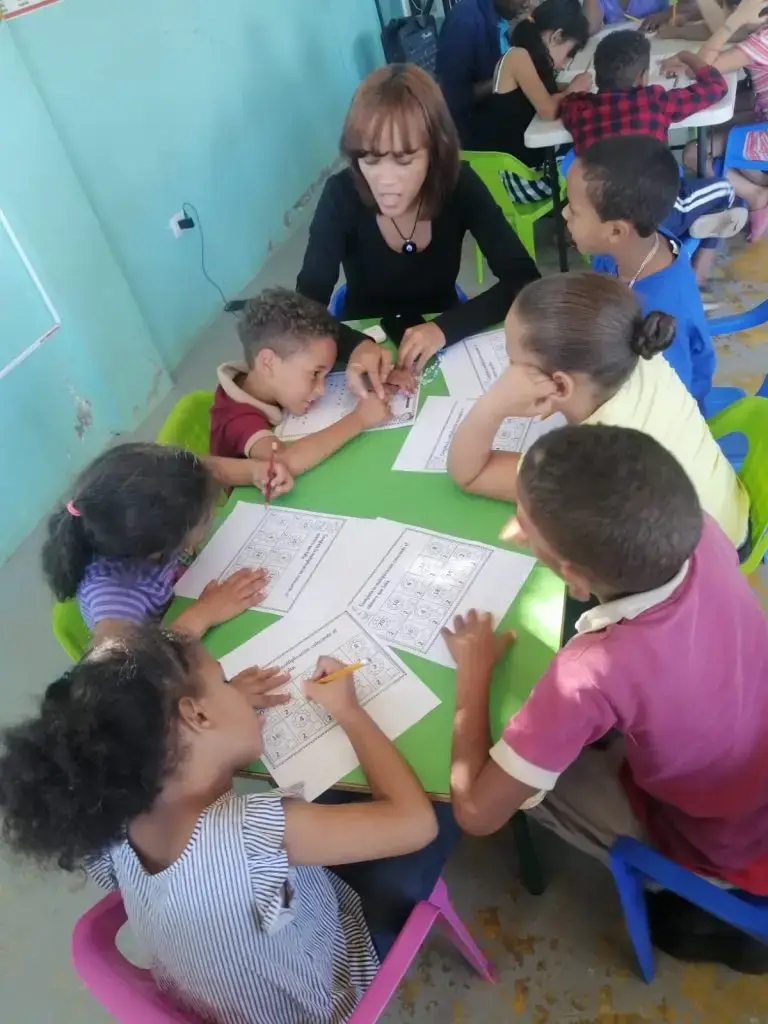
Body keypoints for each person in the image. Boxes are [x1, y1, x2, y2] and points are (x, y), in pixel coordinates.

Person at [0, 626, 459, 1022]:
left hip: (239, 1003)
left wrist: (220, 713)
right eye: (224, 681)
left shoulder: (115, 819)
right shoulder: (251, 834)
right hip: (328, 997)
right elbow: (414, 824)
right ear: (196, 716)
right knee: (444, 804)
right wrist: (349, 712)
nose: (237, 689)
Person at [444, 424, 768, 973]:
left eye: (528, 526)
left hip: (728, 842)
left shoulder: (588, 672)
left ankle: (684, 889)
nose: (519, 528)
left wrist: (474, 678)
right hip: (747, 753)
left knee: (534, 788)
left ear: (572, 577)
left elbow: (476, 814)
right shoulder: (704, 532)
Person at [447, 271, 749, 550]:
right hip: (730, 517)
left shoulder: (586, 462)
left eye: (512, 362)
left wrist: (492, 405)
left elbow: (469, 474)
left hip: (699, 574)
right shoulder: (636, 352)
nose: (506, 369)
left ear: (561, 385)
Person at [296, 64, 541, 401]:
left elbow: (524, 279)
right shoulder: (341, 194)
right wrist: (354, 344)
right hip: (362, 336)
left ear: (434, 153)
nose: (385, 180)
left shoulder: (460, 185)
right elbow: (304, 306)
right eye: (370, 159)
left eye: (404, 160)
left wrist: (444, 328)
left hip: (443, 334)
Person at [559, 29, 745, 279]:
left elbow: (565, 103)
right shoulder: (654, 100)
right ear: (643, 77)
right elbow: (715, 88)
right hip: (661, 211)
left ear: (596, 74)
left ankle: (680, 241)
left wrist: (574, 89)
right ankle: (699, 267)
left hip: (605, 217)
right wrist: (689, 57)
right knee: (726, 190)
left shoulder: (580, 109)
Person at [41, 442, 273, 640]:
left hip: (196, 584)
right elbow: (124, 675)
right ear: (166, 542)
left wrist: (254, 470)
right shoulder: (115, 602)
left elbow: (203, 472)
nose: (213, 511)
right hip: (179, 655)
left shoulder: (148, 495)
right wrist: (203, 613)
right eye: (206, 515)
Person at [566, 137, 717, 406]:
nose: (565, 214)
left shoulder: (662, 314)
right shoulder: (631, 248)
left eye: (574, 211)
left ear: (615, 231)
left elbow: (671, 401)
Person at [210, 288, 396, 474]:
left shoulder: (268, 381)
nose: (322, 389)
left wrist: (373, 378)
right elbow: (283, 463)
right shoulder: (237, 420)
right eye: (315, 374)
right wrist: (360, 418)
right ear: (268, 363)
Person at [665, 0, 768, 238]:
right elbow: (719, 33)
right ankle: (757, 182)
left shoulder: (763, 40)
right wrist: (681, 39)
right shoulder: (761, 31)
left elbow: (703, 71)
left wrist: (736, 19)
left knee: (694, 153)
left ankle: (756, 194)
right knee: (721, 122)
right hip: (762, 116)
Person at [470, 0, 591, 203]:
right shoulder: (517, 57)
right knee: (593, 159)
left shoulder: (526, 58)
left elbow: (547, 93)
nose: (566, 62)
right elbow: (548, 110)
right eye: (569, 53)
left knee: (591, 148)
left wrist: (567, 87)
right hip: (524, 180)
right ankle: (576, 225)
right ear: (556, 37)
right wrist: (573, 89)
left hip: (531, 170)